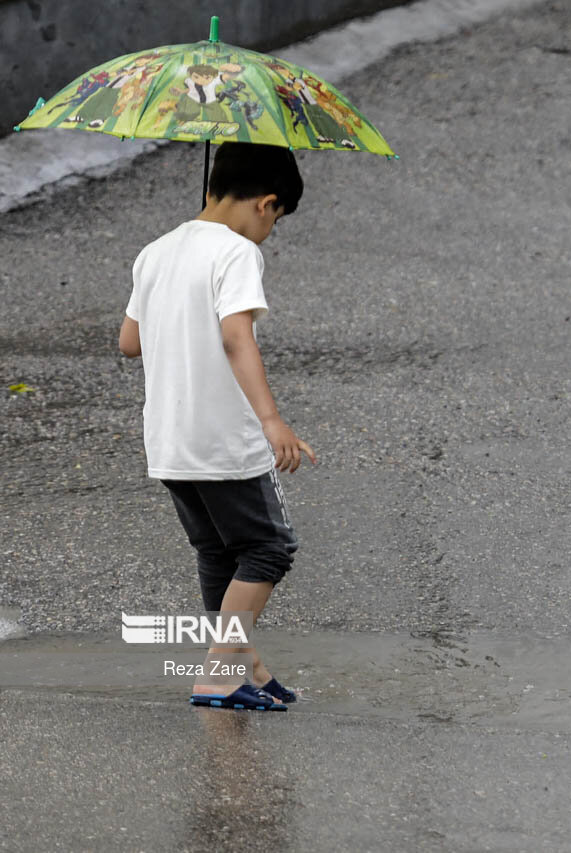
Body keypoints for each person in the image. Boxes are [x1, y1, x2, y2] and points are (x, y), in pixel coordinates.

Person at [118, 142, 315, 712]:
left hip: (169, 440)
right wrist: (272, 420)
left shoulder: (155, 251)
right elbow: (235, 336)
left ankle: (244, 665)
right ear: (266, 203)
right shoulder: (237, 252)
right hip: (223, 440)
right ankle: (218, 674)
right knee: (269, 549)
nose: (269, 232)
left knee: (217, 552)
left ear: (211, 187)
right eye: (276, 219)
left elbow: (129, 342)